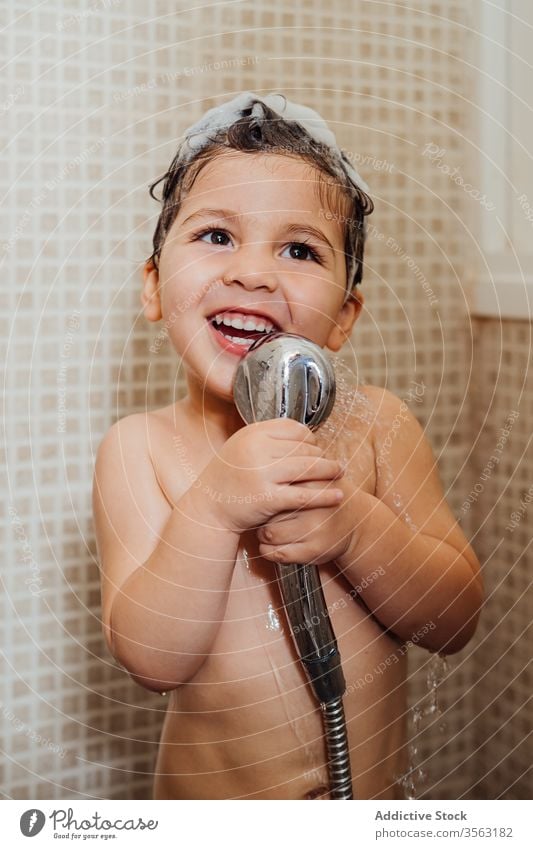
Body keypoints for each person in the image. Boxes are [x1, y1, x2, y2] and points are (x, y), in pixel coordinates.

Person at [92, 92, 483, 800]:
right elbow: (152, 657)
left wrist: (356, 529)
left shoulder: (376, 427)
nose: (252, 273)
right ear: (153, 288)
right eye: (216, 235)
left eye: (298, 249)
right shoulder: (140, 449)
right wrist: (211, 509)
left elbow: (452, 619)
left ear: (343, 317)